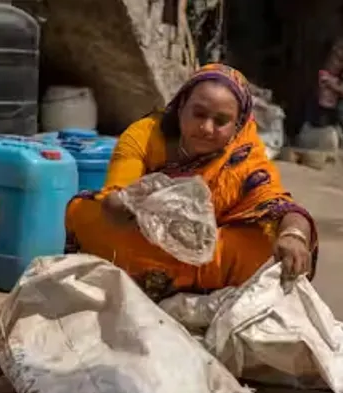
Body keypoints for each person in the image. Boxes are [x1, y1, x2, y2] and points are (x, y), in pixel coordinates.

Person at [65, 64, 318, 296]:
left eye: (221, 121)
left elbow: (279, 204)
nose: (206, 128)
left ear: (237, 126)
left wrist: (294, 235)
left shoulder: (245, 155)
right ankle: (180, 279)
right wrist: (129, 207)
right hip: (149, 238)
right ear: (181, 106)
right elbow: (115, 194)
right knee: (83, 212)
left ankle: (166, 278)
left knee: (266, 246)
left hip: (211, 248)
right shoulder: (145, 135)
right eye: (199, 114)